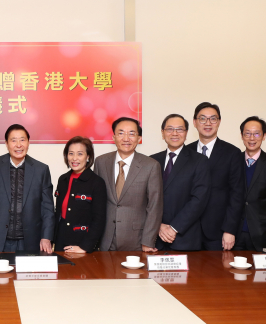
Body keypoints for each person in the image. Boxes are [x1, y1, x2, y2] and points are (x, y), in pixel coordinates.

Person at [0, 124, 54, 253]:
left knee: (27, 273)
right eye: (13, 140)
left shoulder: (41, 170)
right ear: (6, 143)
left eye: (22, 140)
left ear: (28, 143)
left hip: (30, 240)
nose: (18, 145)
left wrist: (46, 236)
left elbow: (47, 207)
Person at [93, 117, 163, 252]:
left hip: (136, 240)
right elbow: (96, 202)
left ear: (139, 138)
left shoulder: (151, 166)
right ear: (113, 137)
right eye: (121, 133)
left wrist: (148, 241)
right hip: (104, 239)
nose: (126, 138)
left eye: (132, 133)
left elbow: (155, 206)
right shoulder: (101, 162)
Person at [184, 102, 245, 251]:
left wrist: (230, 230)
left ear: (219, 122)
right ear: (195, 122)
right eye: (203, 118)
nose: (208, 123)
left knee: (218, 273)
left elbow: (237, 194)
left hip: (218, 231)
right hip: (188, 229)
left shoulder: (232, 153)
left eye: (213, 119)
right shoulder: (186, 152)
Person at [151, 114, 210, 251]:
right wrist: (158, 225)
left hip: (185, 238)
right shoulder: (152, 161)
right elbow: (145, 199)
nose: (175, 133)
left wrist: (173, 228)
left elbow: (199, 200)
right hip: (154, 238)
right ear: (162, 133)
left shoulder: (199, 161)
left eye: (180, 129)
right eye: (170, 129)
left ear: (186, 133)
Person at [235, 116, 266, 251]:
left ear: (264, 136)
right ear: (242, 136)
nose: (252, 138)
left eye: (257, 133)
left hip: (262, 235)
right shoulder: (234, 161)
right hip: (235, 234)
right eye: (248, 133)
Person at [53, 136, 107, 253]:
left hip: (82, 245)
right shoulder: (63, 179)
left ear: (88, 157)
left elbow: (99, 220)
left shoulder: (97, 182)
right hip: (60, 243)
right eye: (71, 153)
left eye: (80, 154)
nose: (74, 158)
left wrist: (85, 247)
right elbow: (58, 214)